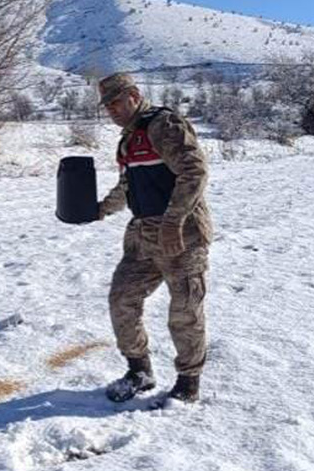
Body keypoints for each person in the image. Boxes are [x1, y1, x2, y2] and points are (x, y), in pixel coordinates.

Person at [96, 72, 213, 404]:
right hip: (143, 237)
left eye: (117, 102)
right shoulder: (130, 137)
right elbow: (128, 184)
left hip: (182, 236)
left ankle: (188, 383)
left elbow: (194, 172)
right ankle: (139, 371)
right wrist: (101, 209)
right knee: (122, 299)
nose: (112, 110)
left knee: (184, 311)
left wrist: (174, 221)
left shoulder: (164, 125)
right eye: (108, 106)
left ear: (134, 95)